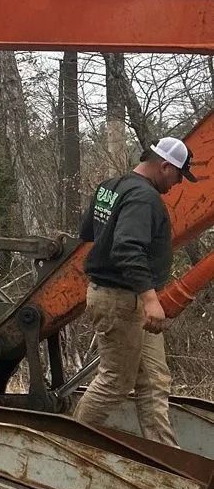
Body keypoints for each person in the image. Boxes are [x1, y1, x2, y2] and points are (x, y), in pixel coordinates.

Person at [73, 136, 197, 445]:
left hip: (126, 298)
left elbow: (87, 231)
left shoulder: (110, 187)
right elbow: (128, 247)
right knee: (115, 381)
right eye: (179, 175)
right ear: (164, 166)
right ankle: (68, 445)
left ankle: (164, 458)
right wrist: (150, 298)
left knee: (154, 380)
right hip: (123, 300)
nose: (178, 183)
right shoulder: (144, 197)